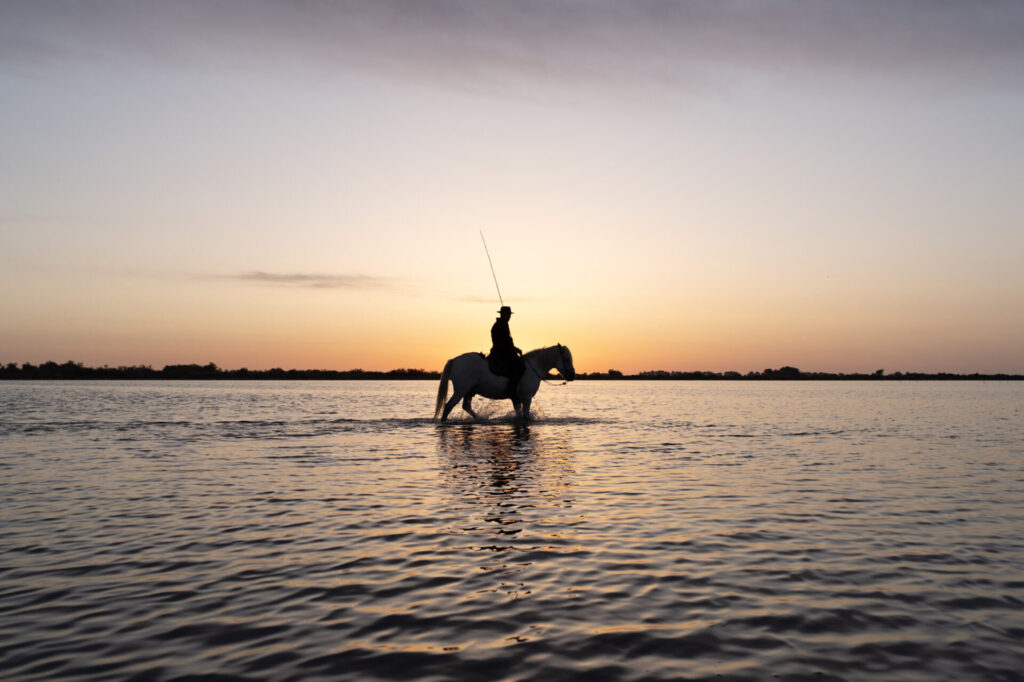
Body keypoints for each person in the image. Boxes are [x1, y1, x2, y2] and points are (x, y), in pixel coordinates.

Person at [489, 305, 525, 397]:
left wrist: (514, 349)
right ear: (503, 315)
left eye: (509, 315)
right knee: (521, 367)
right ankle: (511, 389)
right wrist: (514, 350)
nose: (509, 317)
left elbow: (507, 342)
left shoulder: (502, 324)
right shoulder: (502, 325)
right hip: (502, 353)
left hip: (502, 351)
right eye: (508, 315)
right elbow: (505, 343)